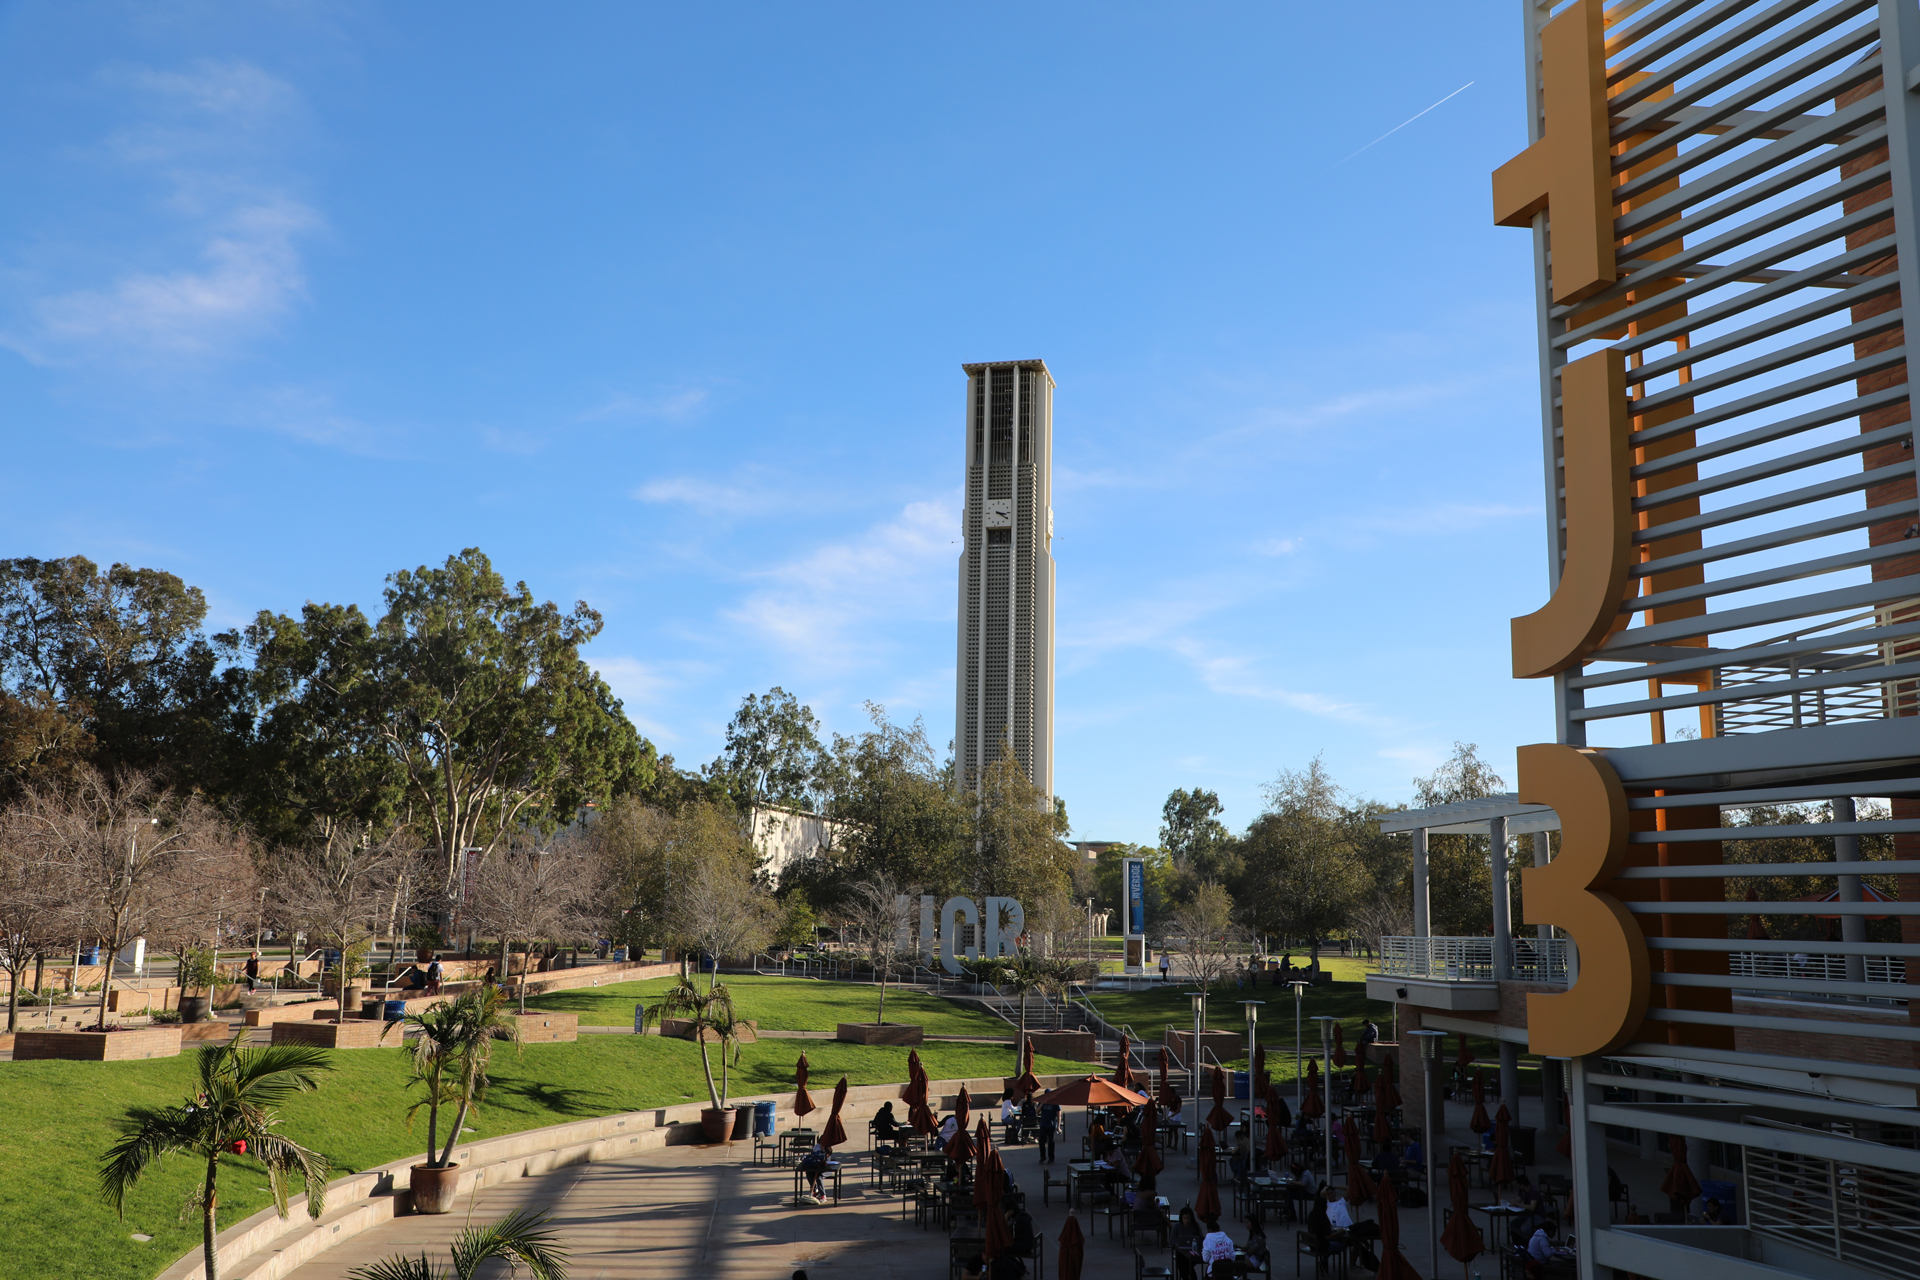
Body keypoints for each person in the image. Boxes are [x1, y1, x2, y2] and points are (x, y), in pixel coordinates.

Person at [1171, 1206, 1203, 1280]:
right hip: (1181, 1252)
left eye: (1188, 1218)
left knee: (1186, 1264)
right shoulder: (1176, 1227)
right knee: (1182, 1263)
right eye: (1184, 1218)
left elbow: (1201, 1239)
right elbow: (1172, 1239)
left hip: (1193, 1252)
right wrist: (1178, 1244)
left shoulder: (1195, 1227)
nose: (1187, 1220)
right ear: (1181, 1218)